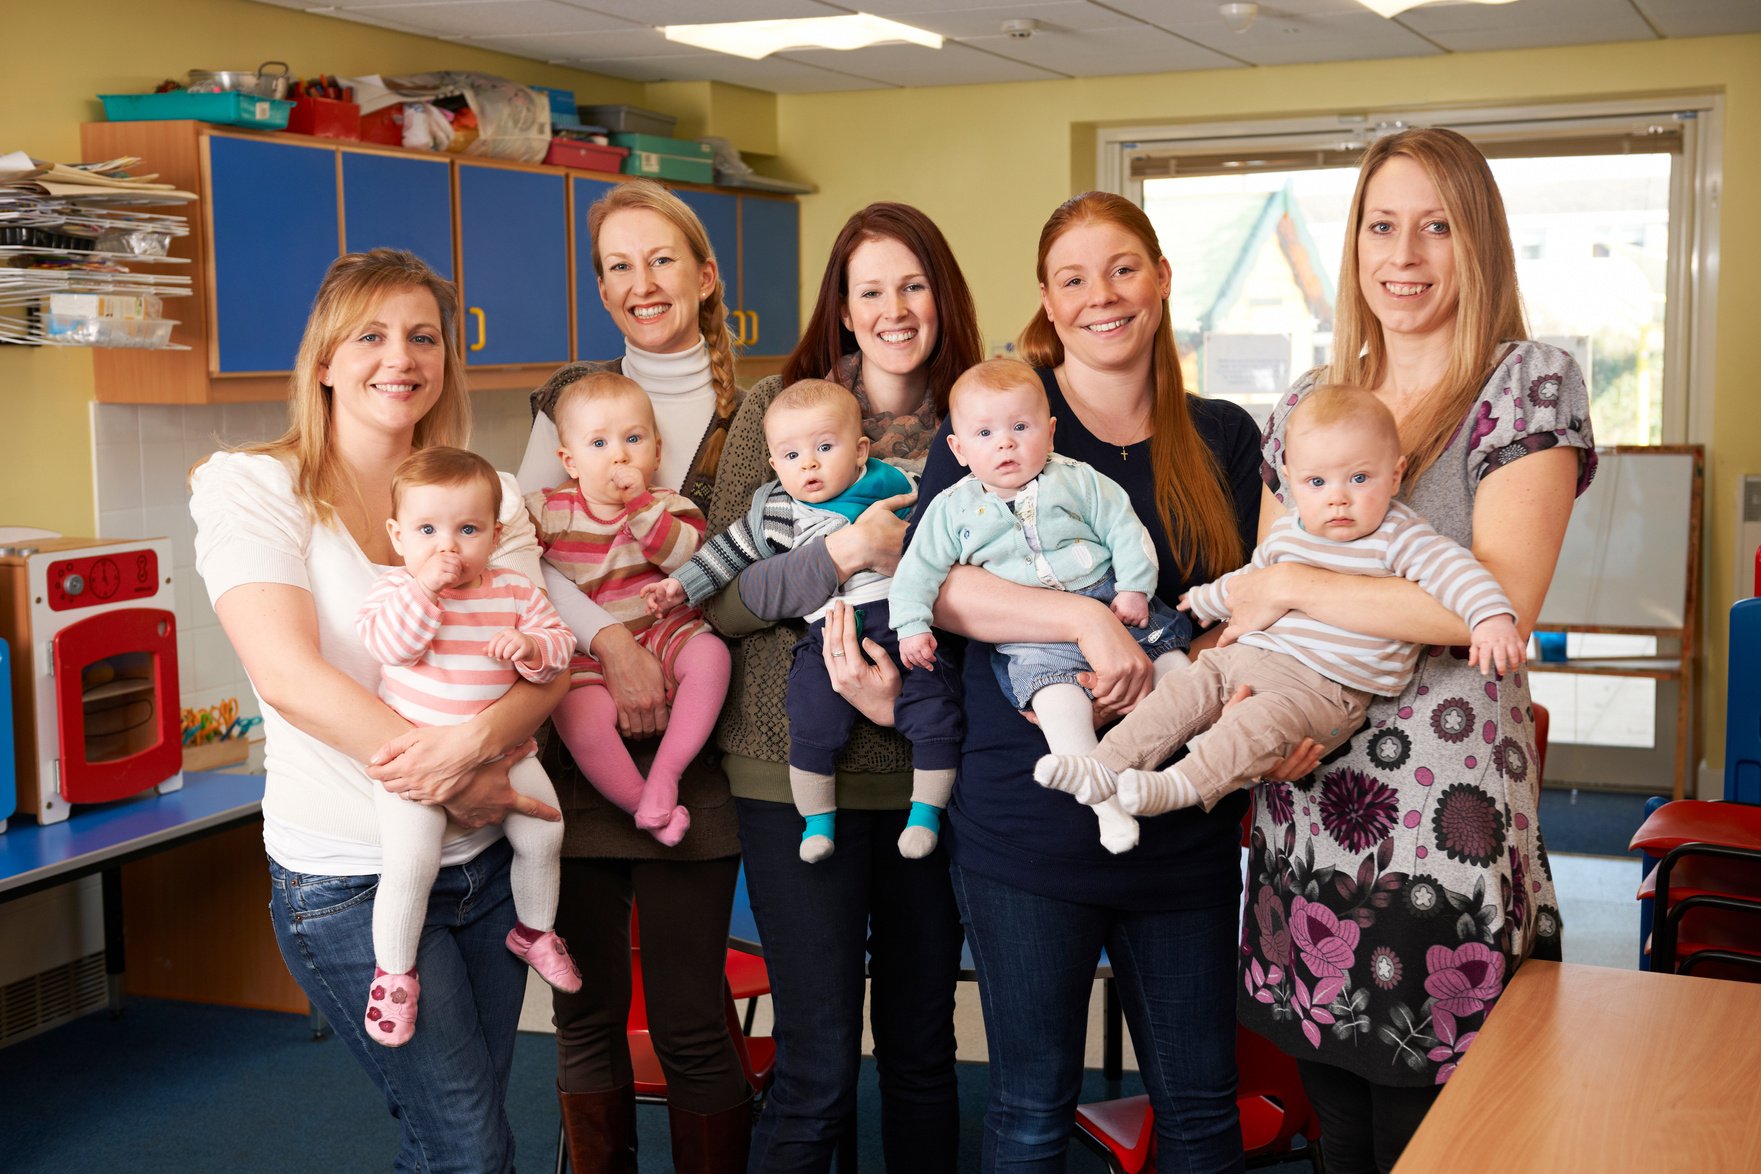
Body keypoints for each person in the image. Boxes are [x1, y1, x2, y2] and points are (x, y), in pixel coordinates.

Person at [909, 191, 1305, 1172]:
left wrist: (1217, 682)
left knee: (1202, 1110)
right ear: (1047, 299)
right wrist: (1085, 617)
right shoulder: (999, 420)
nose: (1103, 296)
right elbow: (943, 588)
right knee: (1032, 1110)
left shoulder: (1224, 434)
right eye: (1074, 278)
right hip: (1030, 818)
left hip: (1183, 816)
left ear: (1162, 280)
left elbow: (1256, 596)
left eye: (1124, 268)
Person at [1230, 128, 1592, 1174]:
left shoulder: (1527, 384)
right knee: (1338, 1126)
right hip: (1309, 794)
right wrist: (1257, 709)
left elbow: (1500, 599)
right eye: (1382, 226)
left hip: (1445, 829)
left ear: (1479, 243)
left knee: (1444, 1137)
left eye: (1438, 226)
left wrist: (1296, 583)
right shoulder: (1307, 401)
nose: (1407, 254)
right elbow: (1264, 610)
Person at [190, 248, 568, 1172]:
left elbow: (545, 661)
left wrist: (474, 763)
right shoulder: (254, 486)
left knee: (448, 1134)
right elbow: (287, 674)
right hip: (349, 876)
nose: (400, 357)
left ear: (447, 358)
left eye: (423, 337)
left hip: (483, 872)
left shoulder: (487, 496)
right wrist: (452, 775)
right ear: (323, 359)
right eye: (371, 335)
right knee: (471, 1149)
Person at [711, 203, 983, 1172]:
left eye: (913, 284)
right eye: (870, 289)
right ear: (842, 306)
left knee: (920, 1049)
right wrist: (846, 557)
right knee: (818, 1060)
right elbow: (723, 601)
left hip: (931, 772)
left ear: (943, 296)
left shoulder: (980, 423)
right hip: (792, 772)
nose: (894, 308)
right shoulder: (774, 413)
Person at [516, 180, 752, 1173]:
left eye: (660, 259)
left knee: (697, 1021)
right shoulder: (567, 405)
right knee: (587, 1017)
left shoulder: (755, 411)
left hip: (701, 766)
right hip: (584, 744)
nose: (639, 282)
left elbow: (753, 567)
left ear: (703, 277)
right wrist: (611, 645)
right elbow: (519, 560)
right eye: (618, 264)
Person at [1034, 384, 1526, 819]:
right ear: (1290, 481)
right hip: (1249, 656)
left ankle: (1180, 785)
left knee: (1258, 723)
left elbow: (1458, 572)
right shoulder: (1290, 531)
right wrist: (1208, 599)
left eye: (1359, 479)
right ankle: (1105, 764)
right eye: (1318, 482)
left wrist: (1490, 618)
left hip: (1322, 689)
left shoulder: (1400, 537)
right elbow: (1254, 580)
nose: (1338, 498)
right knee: (1185, 688)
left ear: (1394, 476)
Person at [644, 378, 963, 864]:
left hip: (903, 622)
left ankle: (925, 813)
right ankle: (817, 821)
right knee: (811, 715)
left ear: (860, 451)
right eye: (790, 456)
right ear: (774, 464)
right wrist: (681, 586)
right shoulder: (777, 510)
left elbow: (949, 535)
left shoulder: (896, 484)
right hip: (827, 631)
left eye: (825, 448)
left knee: (933, 703)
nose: (808, 464)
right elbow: (727, 555)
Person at [891, 357, 1193, 854]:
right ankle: (1105, 806)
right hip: (1029, 636)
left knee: (1179, 671)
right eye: (985, 433)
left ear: (1050, 433)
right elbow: (917, 573)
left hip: (1110, 597)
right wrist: (911, 626)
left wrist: (1135, 588)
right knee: (1056, 707)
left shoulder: (1078, 480)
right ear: (958, 449)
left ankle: (1211, 759)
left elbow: (1125, 530)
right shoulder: (951, 508)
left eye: (1020, 427)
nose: (1005, 443)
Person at [355, 446, 582, 1046]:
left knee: (546, 831)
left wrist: (531, 650)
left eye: (467, 530)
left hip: (506, 752)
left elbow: (559, 646)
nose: (447, 547)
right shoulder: (393, 590)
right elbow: (392, 647)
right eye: (428, 531)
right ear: (397, 535)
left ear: (495, 534)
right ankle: (394, 976)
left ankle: (534, 931)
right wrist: (426, 591)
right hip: (419, 764)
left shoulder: (512, 591)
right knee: (411, 862)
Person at [527, 371, 730, 849]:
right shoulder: (547, 511)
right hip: (585, 651)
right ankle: (644, 804)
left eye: (633, 439)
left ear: (656, 453)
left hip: (662, 628)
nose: (619, 454)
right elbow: (517, 562)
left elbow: (684, 558)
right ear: (569, 460)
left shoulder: (668, 505)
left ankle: (666, 774)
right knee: (574, 711)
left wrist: (641, 505)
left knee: (713, 659)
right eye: (598, 443)